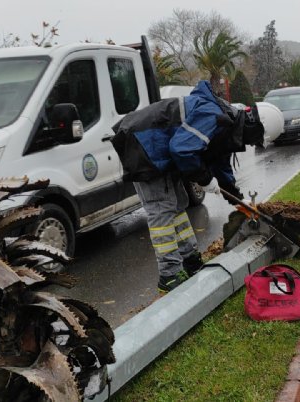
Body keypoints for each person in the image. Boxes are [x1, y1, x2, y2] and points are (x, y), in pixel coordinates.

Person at [111, 80, 265, 292]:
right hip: (144, 145)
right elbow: (182, 149)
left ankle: (190, 259)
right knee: (161, 208)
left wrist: (238, 199)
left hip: (161, 149)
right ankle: (169, 275)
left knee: (178, 203)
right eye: (251, 141)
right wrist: (204, 179)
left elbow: (220, 164)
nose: (248, 145)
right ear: (250, 127)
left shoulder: (225, 123)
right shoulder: (214, 116)